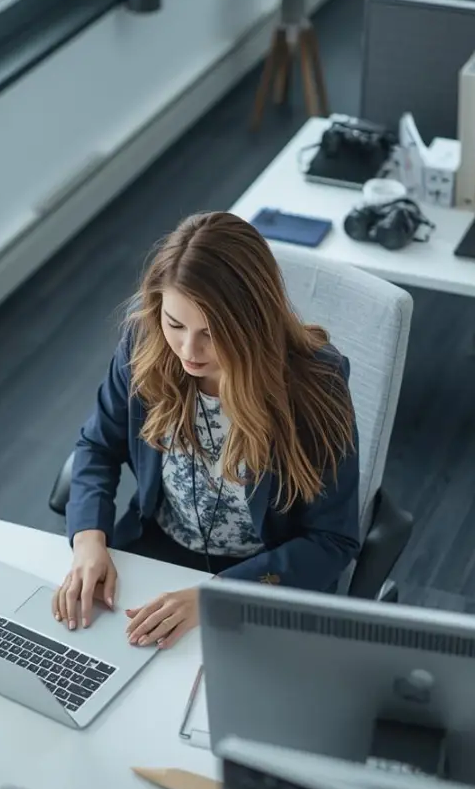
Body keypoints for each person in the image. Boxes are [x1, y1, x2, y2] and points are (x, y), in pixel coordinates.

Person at [52, 212, 361, 651]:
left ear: (254, 324)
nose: (188, 351)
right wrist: (88, 541)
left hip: (260, 577)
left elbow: (333, 539)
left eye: (211, 334)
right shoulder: (145, 347)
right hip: (155, 551)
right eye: (175, 324)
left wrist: (216, 596)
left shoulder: (317, 383)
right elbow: (97, 446)